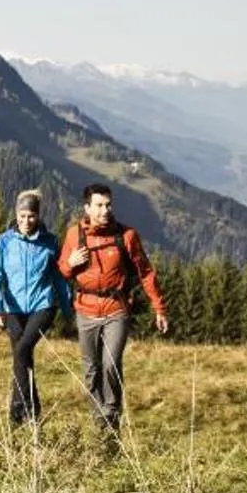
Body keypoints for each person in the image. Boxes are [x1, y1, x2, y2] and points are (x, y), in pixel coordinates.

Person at [59, 182, 168, 444]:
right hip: (85, 309)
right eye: (99, 205)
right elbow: (62, 269)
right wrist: (70, 265)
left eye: (108, 205)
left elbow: (145, 272)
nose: (105, 210)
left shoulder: (126, 236)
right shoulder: (74, 234)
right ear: (87, 208)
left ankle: (111, 416)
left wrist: (159, 308)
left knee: (110, 364)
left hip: (116, 309)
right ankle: (101, 424)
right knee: (91, 370)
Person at [0, 190, 66, 424]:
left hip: (43, 306)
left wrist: (70, 310)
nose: (26, 221)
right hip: (13, 309)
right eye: (22, 216)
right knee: (23, 356)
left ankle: (19, 409)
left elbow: (59, 278)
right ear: (15, 214)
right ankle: (30, 413)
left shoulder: (50, 243)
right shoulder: (3, 242)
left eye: (31, 216)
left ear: (38, 216)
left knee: (21, 351)